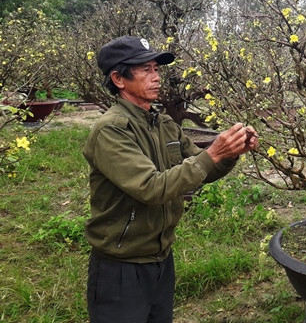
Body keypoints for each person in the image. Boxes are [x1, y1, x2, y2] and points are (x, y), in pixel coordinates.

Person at [83, 35, 258, 323]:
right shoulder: (111, 130)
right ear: (118, 78)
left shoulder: (162, 123)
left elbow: (202, 171)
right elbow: (151, 188)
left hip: (161, 259)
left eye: (157, 69)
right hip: (122, 267)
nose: (156, 78)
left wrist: (230, 153)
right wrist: (212, 152)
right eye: (146, 70)